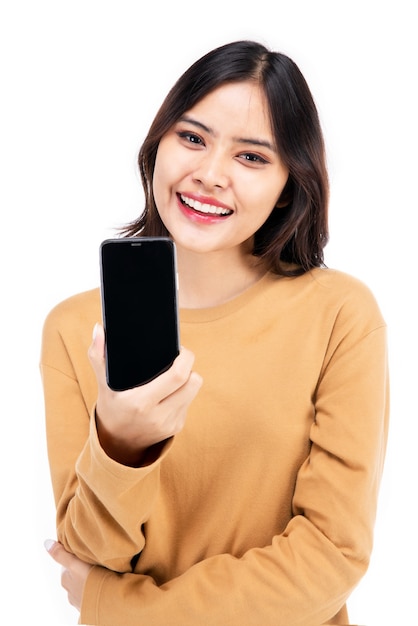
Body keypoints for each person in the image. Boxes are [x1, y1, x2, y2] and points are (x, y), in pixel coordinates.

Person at [40, 40, 389, 626]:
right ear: (158, 147)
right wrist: (121, 446)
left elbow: (332, 557)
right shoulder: (75, 327)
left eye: (252, 158)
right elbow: (92, 555)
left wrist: (121, 609)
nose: (209, 175)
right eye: (193, 138)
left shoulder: (339, 314)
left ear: (288, 182)